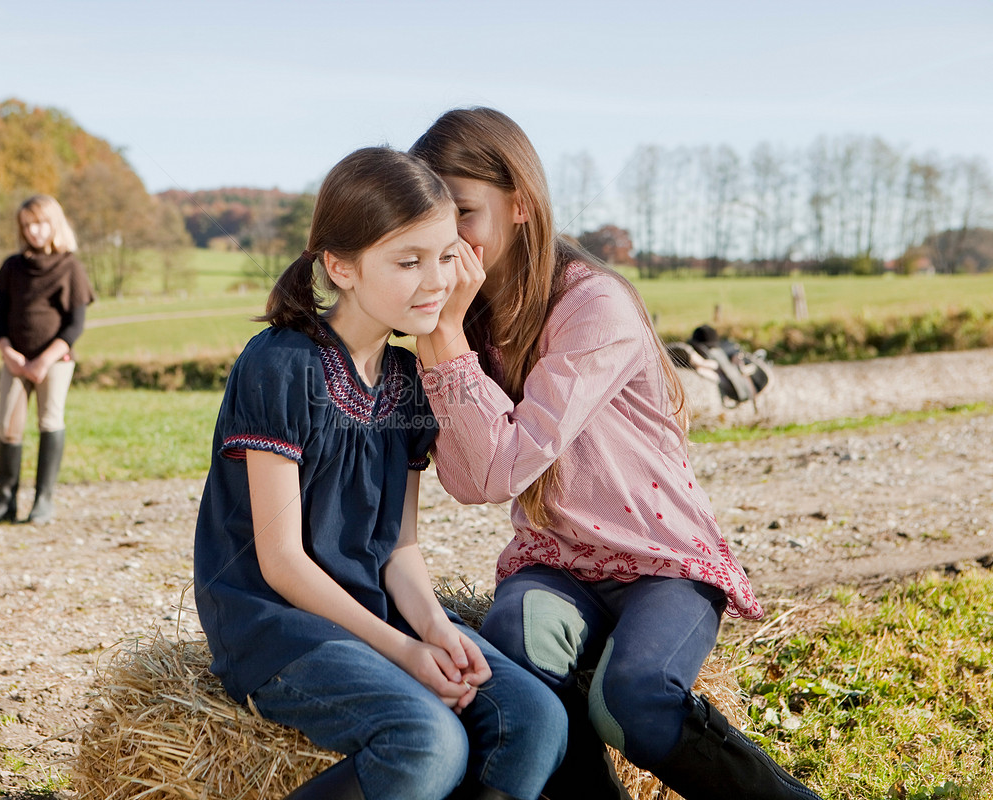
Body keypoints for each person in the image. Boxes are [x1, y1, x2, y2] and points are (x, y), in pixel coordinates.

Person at [409, 108, 823, 800]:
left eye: (464, 214)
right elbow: (471, 480)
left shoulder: (592, 307)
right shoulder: (468, 326)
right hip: (557, 564)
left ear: (520, 204)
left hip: (661, 561)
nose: (449, 242)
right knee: (517, 646)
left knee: (631, 697)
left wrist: (445, 341)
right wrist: (447, 337)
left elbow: (504, 466)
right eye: (433, 223)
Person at [193, 147, 567, 800]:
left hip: (375, 605)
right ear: (340, 265)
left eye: (447, 255)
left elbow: (399, 548)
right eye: (408, 261)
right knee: (427, 744)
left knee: (534, 720)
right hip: (275, 624)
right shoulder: (281, 367)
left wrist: (438, 632)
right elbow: (281, 562)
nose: (437, 281)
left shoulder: (407, 381)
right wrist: (403, 653)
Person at [0, 195, 94, 526]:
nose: (33, 231)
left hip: (54, 361)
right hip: (15, 361)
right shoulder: (13, 267)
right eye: (26, 225)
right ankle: (5, 501)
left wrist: (44, 360)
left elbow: (75, 324)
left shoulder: (70, 267)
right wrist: (8, 353)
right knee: (9, 427)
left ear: (54, 223)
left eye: (39, 223)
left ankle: (43, 500)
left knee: (49, 421)